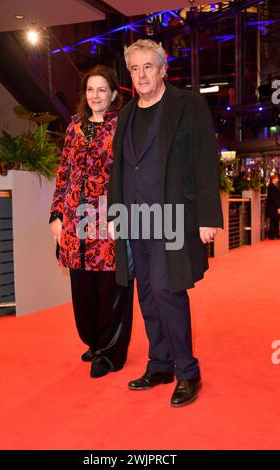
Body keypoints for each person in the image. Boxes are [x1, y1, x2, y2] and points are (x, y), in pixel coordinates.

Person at [107, 39, 223, 406]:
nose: (141, 75)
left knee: (167, 290)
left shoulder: (188, 105)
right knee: (146, 293)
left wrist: (208, 216)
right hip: (134, 217)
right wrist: (114, 213)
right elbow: (119, 169)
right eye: (135, 69)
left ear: (161, 69)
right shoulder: (125, 114)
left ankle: (187, 370)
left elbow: (206, 161)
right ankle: (160, 364)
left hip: (173, 215)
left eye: (147, 67)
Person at [50, 65, 133, 378]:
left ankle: (110, 352)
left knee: (110, 289)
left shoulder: (123, 125)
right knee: (82, 289)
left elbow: (129, 172)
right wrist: (56, 213)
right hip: (74, 222)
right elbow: (64, 173)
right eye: (90, 89)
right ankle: (94, 341)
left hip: (108, 220)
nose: (95, 95)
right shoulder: (74, 127)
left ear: (112, 93)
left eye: (101, 89)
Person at [266, 172, 280, 239]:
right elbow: (274, 198)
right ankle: (273, 235)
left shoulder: (272, 186)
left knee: (274, 221)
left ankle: (273, 235)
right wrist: (278, 207)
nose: (278, 179)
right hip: (273, 207)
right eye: (277, 178)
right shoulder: (272, 186)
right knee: (274, 220)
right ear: (273, 179)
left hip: (273, 206)